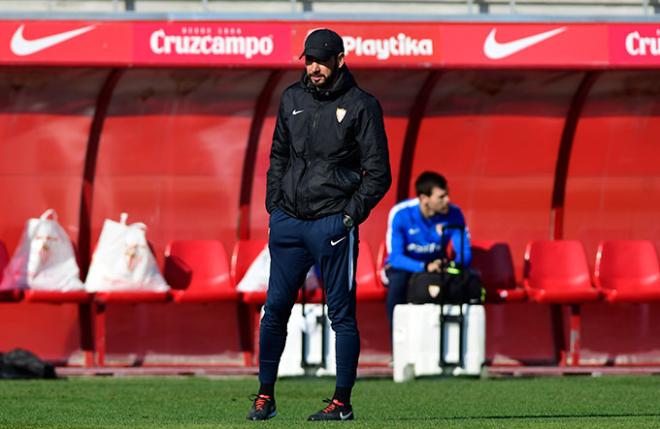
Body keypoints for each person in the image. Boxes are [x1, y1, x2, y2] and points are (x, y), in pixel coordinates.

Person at [247, 28, 391, 422]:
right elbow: (278, 155)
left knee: (340, 315)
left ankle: (341, 403)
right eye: (309, 60)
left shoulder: (362, 105)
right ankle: (265, 397)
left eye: (321, 60)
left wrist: (348, 216)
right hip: (288, 223)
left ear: (340, 60)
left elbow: (378, 174)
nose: (313, 68)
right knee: (274, 309)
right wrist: (274, 206)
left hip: (332, 223)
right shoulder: (291, 98)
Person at [383, 171, 472, 336]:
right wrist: (424, 266)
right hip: (406, 266)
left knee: (465, 279)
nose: (448, 200)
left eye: (447, 195)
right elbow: (395, 257)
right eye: (441, 196)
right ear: (424, 198)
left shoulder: (454, 214)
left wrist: (451, 265)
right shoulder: (401, 213)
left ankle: (453, 343)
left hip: (436, 267)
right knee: (398, 283)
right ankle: (397, 342)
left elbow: (464, 252)